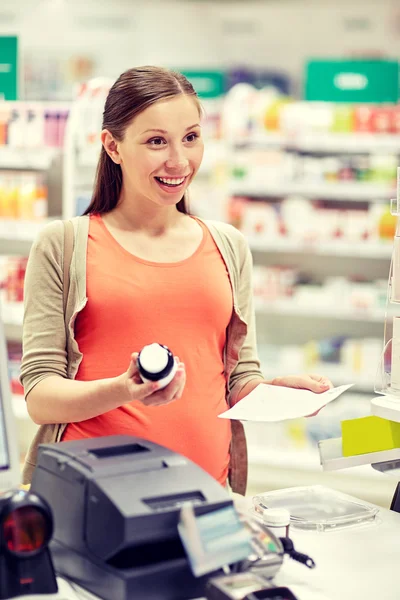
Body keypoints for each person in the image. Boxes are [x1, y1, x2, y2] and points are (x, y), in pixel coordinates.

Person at [20, 66, 332, 494]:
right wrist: (124, 389)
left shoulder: (228, 245)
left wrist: (272, 392)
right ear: (112, 146)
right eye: (155, 141)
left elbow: (237, 377)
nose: (179, 161)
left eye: (190, 137)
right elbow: (40, 395)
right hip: (94, 499)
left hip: (208, 496)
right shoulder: (64, 245)